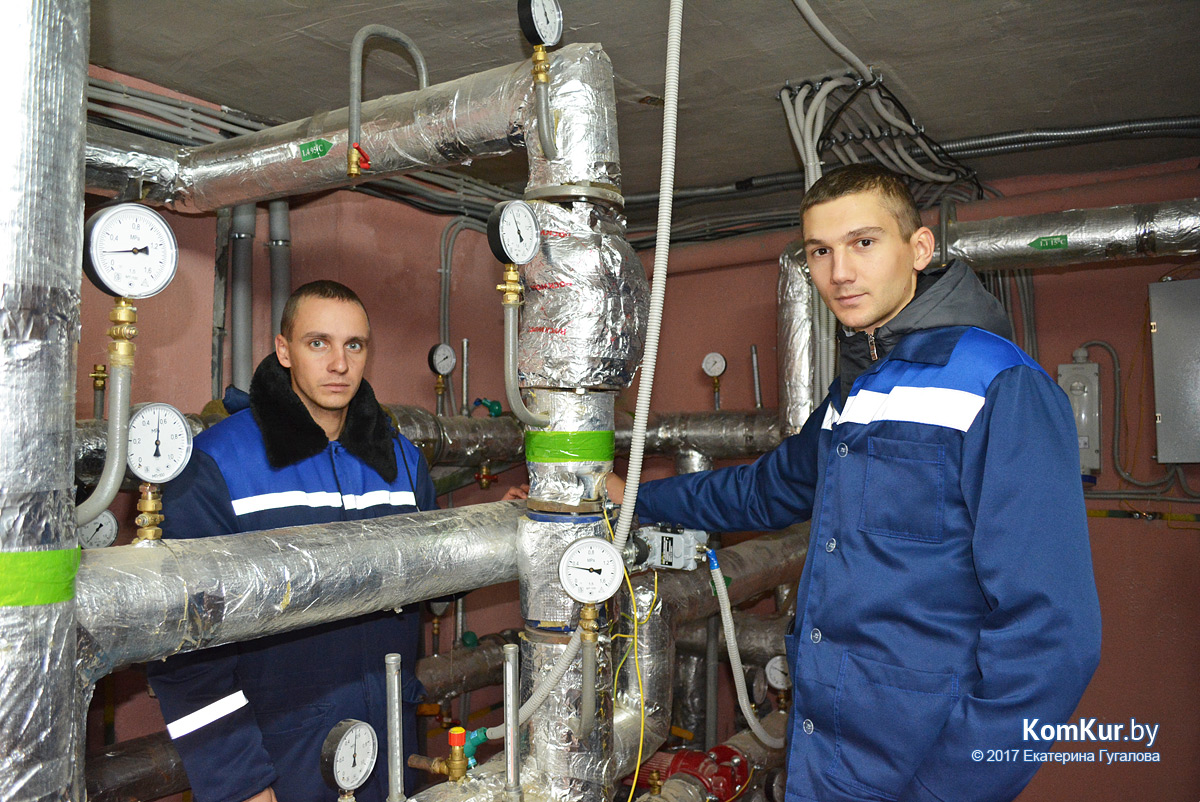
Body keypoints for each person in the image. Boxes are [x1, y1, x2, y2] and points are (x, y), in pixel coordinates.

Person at [612, 165, 1101, 802]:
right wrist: (630, 500)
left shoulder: (999, 385)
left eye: (863, 242)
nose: (839, 272)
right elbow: (766, 490)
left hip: (920, 762)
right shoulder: (859, 390)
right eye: (820, 251)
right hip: (825, 753)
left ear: (919, 249)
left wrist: (945, 792)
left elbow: (1053, 639)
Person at [147, 280, 436, 802]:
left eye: (354, 345)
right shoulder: (217, 464)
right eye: (318, 343)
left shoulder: (402, 463)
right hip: (280, 762)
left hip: (389, 751)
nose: (339, 364)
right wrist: (240, 783)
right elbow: (183, 650)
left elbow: (437, 580)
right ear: (284, 350)